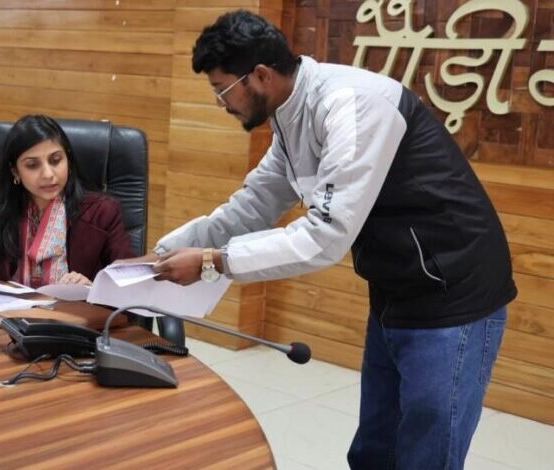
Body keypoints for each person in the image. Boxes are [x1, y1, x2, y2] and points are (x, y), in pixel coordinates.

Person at [140, 10, 517, 469]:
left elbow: (325, 236)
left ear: (261, 75)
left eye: (222, 89)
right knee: (374, 449)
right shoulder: (290, 115)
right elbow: (253, 206)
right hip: (396, 287)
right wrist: (161, 251)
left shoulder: (353, 105)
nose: (221, 103)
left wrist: (212, 261)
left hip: (455, 292)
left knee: (425, 454)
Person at [0, 114, 134, 289]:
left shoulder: (101, 212)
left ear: (68, 159)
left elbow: (129, 281)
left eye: (56, 160)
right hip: (5, 323)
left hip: (76, 324)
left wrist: (92, 288)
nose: (48, 174)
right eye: (32, 165)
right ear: (15, 171)